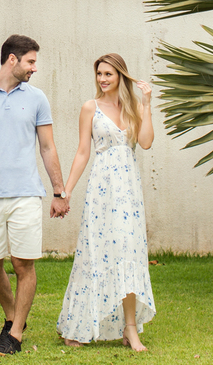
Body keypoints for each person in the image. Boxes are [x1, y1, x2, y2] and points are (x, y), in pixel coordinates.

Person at [0, 34, 70, 356]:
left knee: (23, 264)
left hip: (26, 194)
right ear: (12, 59)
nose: (34, 68)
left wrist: (59, 191)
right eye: (31, 61)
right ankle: (11, 315)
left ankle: (17, 334)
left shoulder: (37, 99)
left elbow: (47, 147)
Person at [56, 52, 156, 351]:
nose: (102, 79)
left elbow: (147, 142)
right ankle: (79, 323)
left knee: (128, 253)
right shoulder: (90, 107)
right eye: (99, 73)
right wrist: (67, 190)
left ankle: (130, 330)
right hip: (102, 189)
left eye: (108, 74)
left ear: (120, 76)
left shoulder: (134, 107)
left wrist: (147, 105)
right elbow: (83, 152)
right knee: (95, 252)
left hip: (128, 191)